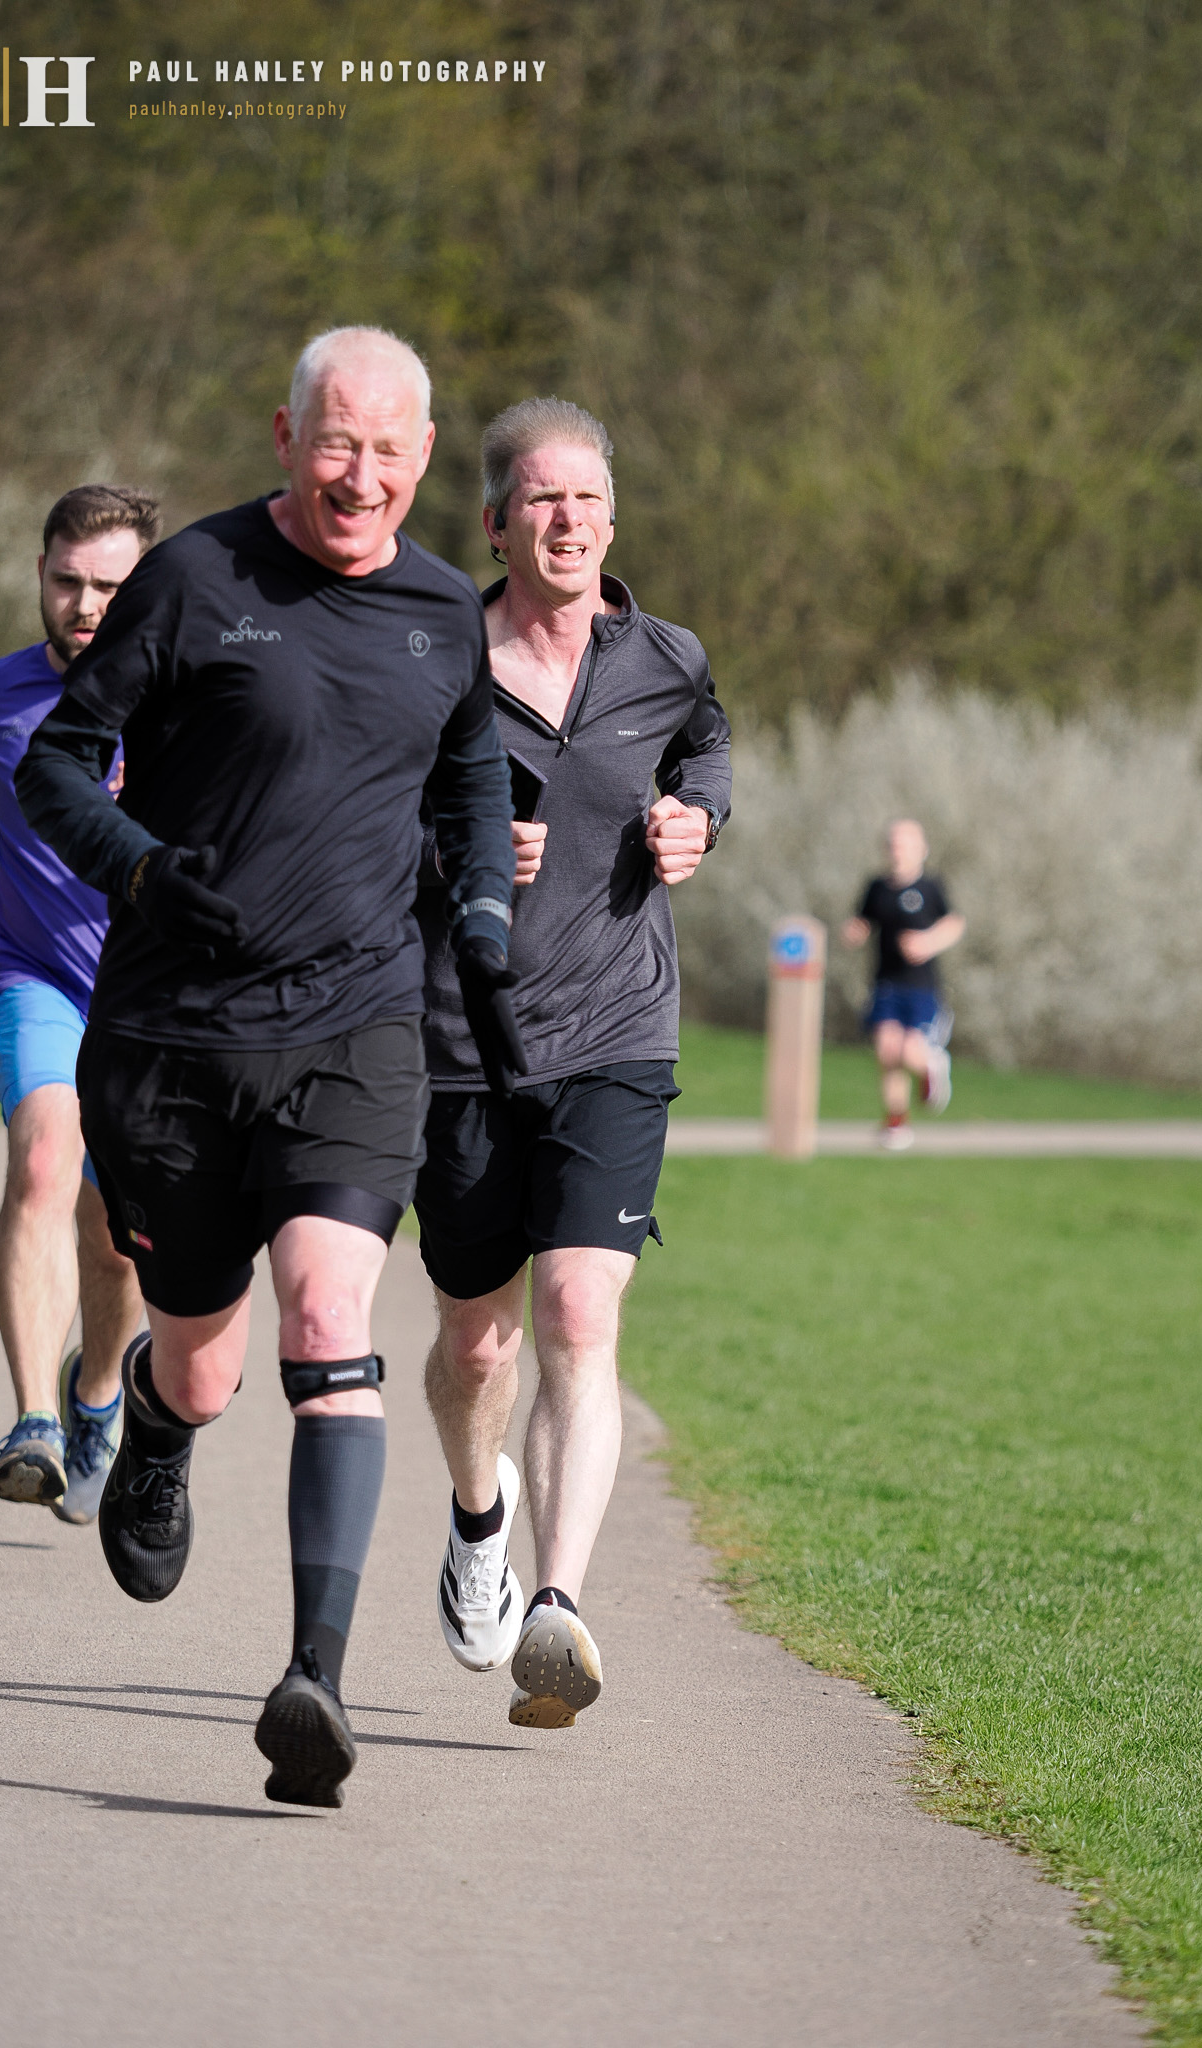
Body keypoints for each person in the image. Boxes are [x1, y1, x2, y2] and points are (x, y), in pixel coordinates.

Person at [16, 326, 520, 1809]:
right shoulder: (196, 581)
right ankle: (163, 1427)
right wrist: (144, 870)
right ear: (286, 435)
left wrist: (482, 904)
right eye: (334, 442)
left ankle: (315, 1675)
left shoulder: (444, 612)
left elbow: (475, 775)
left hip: (356, 1032)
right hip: (174, 1038)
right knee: (205, 1352)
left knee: (327, 1317)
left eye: (388, 450)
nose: (359, 475)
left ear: (425, 458)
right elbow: (57, 763)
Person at [414, 396, 731, 1729]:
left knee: (579, 1322)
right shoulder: (432, 664)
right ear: (497, 521)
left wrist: (696, 818)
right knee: (480, 1348)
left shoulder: (663, 657)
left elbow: (707, 742)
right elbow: (347, 822)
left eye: (590, 500)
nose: (571, 522)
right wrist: (457, 858)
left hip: (616, 1033)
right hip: (461, 1043)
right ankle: (478, 1518)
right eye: (544, 500)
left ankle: (558, 1604)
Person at [0, 486, 152, 1520]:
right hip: (37, 975)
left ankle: (95, 1392)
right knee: (47, 1159)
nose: (86, 603)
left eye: (111, 584)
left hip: (154, 1000)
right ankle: (33, 1423)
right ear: (40, 576)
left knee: (118, 1231)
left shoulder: (191, 696)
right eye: (68, 580)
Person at [841, 819, 965, 1148]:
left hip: (922, 987)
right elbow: (863, 920)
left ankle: (931, 1065)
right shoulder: (877, 887)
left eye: (905, 844)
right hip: (885, 983)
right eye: (893, 844)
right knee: (886, 1050)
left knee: (910, 1051)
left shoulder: (931, 887)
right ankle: (896, 1122)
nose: (898, 851)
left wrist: (928, 942)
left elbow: (953, 924)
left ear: (921, 850)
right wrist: (855, 931)